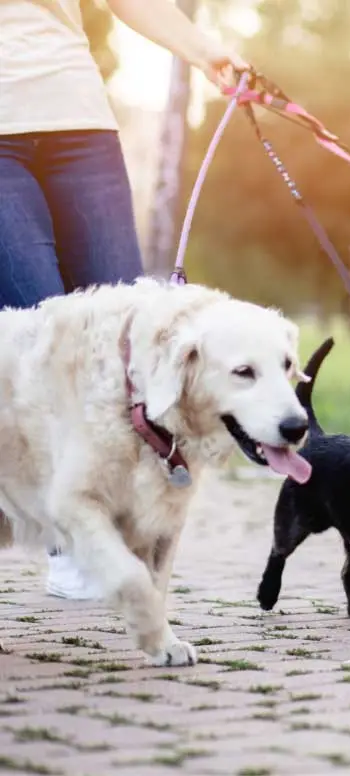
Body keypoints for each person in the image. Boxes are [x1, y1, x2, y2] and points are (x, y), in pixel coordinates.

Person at [1, 0, 247, 599]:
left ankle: (116, 524)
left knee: (125, 338)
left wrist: (205, 51)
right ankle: (73, 537)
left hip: (80, 123)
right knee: (46, 339)